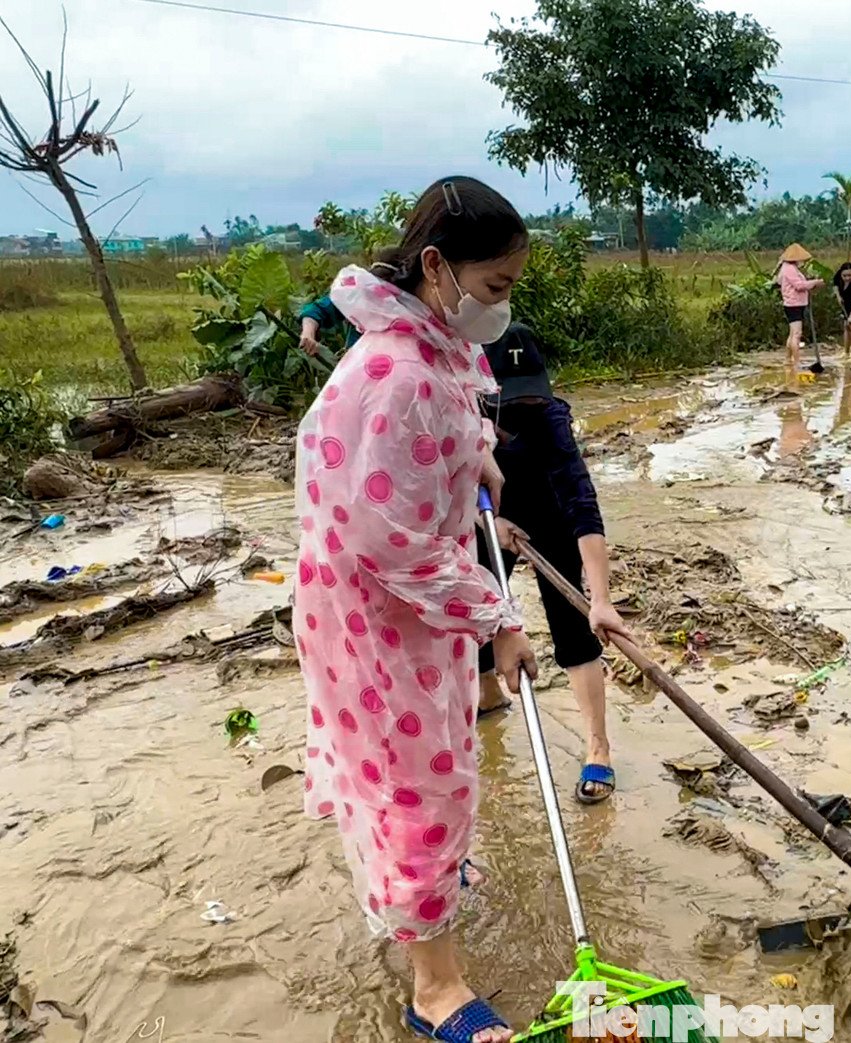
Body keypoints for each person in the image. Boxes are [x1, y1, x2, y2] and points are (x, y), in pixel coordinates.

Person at [294, 175, 537, 1043]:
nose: (501, 309)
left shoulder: (430, 341)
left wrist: (478, 459)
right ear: (436, 265)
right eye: (495, 287)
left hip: (408, 605)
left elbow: (444, 428)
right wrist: (497, 616)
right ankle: (434, 989)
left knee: (426, 766)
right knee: (417, 784)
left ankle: (416, 907)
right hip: (377, 609)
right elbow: (385, 536)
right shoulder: (397, 370)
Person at [472, 321, 633, 804]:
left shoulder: (552, 420)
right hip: (485, 517)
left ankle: (598, 747)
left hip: (551, 520)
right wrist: (489, 525)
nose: (525, 406)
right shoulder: (462, 412)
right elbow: (439, 485)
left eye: (532, 396)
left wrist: (601, 600)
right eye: (512, 399)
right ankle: (487, 695)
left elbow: (583, 506)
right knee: (477, 614)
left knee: (574, 630)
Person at [774, 243, 823, 374]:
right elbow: (799, 285)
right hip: (794, 304)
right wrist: (814, 283)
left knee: (792, 333)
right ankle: (796, 363)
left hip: (794, 303)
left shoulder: (787, 268)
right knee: (796, 334)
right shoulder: (789, 268)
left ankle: (787, 359)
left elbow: (780, 282)